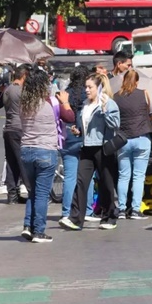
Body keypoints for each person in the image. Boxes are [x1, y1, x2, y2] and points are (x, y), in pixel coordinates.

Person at [59, 73, 121, 231]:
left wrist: (105, 111)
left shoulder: (108, 103)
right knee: (81, 182)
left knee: (106, 183)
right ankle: (75, 218)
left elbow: (115, 124)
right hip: (86, 147)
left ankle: (109, 217)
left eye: (90, 87)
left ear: (98, 88)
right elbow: (83, 126)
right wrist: (78, 131)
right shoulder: (84, 105)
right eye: (86, 87)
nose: (86, 90)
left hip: (103, 148)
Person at [20, 70, 75, 243]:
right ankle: (39, 231)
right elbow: (69, 117)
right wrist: (65, 102)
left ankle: (28, 226)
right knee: (42, 194)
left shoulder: (25, 104)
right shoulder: (52, 102)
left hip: (26, 150)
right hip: (46, 150)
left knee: (32, 192)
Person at [60, 66, 98, 221]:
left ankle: (66, 211)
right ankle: (87, 210)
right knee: (87, 176)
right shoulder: (88, 94)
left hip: (67, 138)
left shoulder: (63, 95)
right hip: (84, 138)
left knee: (70, 177)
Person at [113, 70, 152, 219]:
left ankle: (122, 209)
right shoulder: (144, 93)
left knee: (123, 176)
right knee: (138, 176)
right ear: (137, 81)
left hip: (123, 139)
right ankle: (135, 209)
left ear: (123, 80)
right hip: (142, 138)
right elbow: (150, 112)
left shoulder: (116, 96)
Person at [0, 65, 30, 204]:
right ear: (24, 76)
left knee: (11, 162)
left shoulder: (8, 89)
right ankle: (31, 190)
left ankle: (12, 195)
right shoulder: (22, 91)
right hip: (19, 128)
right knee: (23, 161)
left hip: (8, 129)